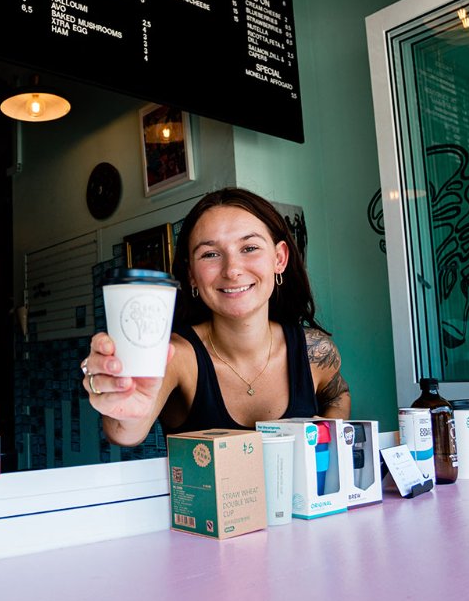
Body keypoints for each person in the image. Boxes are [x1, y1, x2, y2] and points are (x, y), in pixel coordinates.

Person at [80, 187, 350, 446]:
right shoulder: (176, 356)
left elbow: (338, 393)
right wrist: (124, 412)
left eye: (249, 248)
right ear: (191, 276)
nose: (232, 270)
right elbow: (125, 432)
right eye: (210, 254)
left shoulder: (315, 350)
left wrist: (326, 440)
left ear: (279, 258)